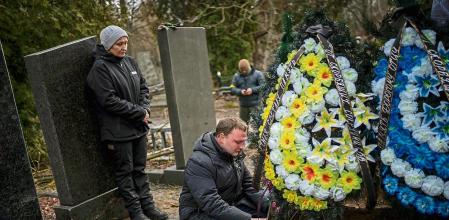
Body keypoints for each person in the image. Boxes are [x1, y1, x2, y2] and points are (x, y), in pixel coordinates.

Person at [87, 25, 168, 220]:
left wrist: (145, 108)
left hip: (137, 127)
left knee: (140, 170)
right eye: (119, 44)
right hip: (117, 131)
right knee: (125, 173)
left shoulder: (130, 62)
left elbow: (143, 88)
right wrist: (139, 112)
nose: (124, 47)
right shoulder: (99, 69)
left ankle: (148, 208)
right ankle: (136, 212)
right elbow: (109, 100)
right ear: (107, 46)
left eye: (125, 43)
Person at [179, 117, 268, 220]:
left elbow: (250, 186)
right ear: (221, 137)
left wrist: (271, 206)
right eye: (238, 142)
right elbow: (211, 203)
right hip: (199, 214)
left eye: (244, 142)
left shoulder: (233, 153)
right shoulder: (199, 162)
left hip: (229, 205)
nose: (242, 147)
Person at [230, 59, 265, 124]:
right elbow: (232, 88)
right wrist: (240, 91)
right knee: (243, 126)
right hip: (243, 106)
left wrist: (252, 90)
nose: (244, 72)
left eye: (245, 70)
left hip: (256, 105)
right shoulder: (236, 76)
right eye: (242, 70)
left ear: (249, 67)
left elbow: (263, 86)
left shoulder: (258, 74)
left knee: (258, 124)